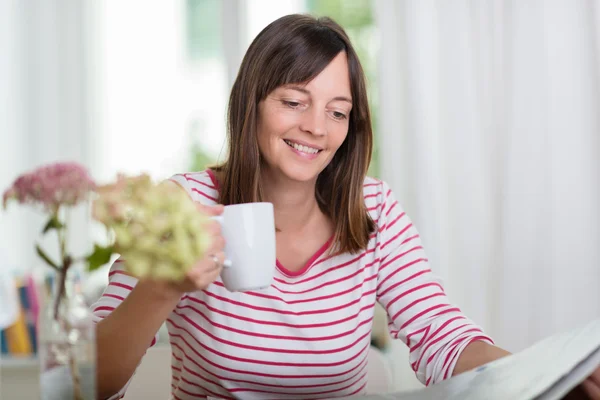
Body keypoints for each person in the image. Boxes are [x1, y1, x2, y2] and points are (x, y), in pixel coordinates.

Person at [92, 14, 600, 400]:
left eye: (338, 112)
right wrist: (161, 287)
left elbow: (439, 335)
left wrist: (552, 378)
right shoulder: (185, 205)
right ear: (252, 104)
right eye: (294, 102)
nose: (317, 127)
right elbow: (88, 380)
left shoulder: (373, 207)